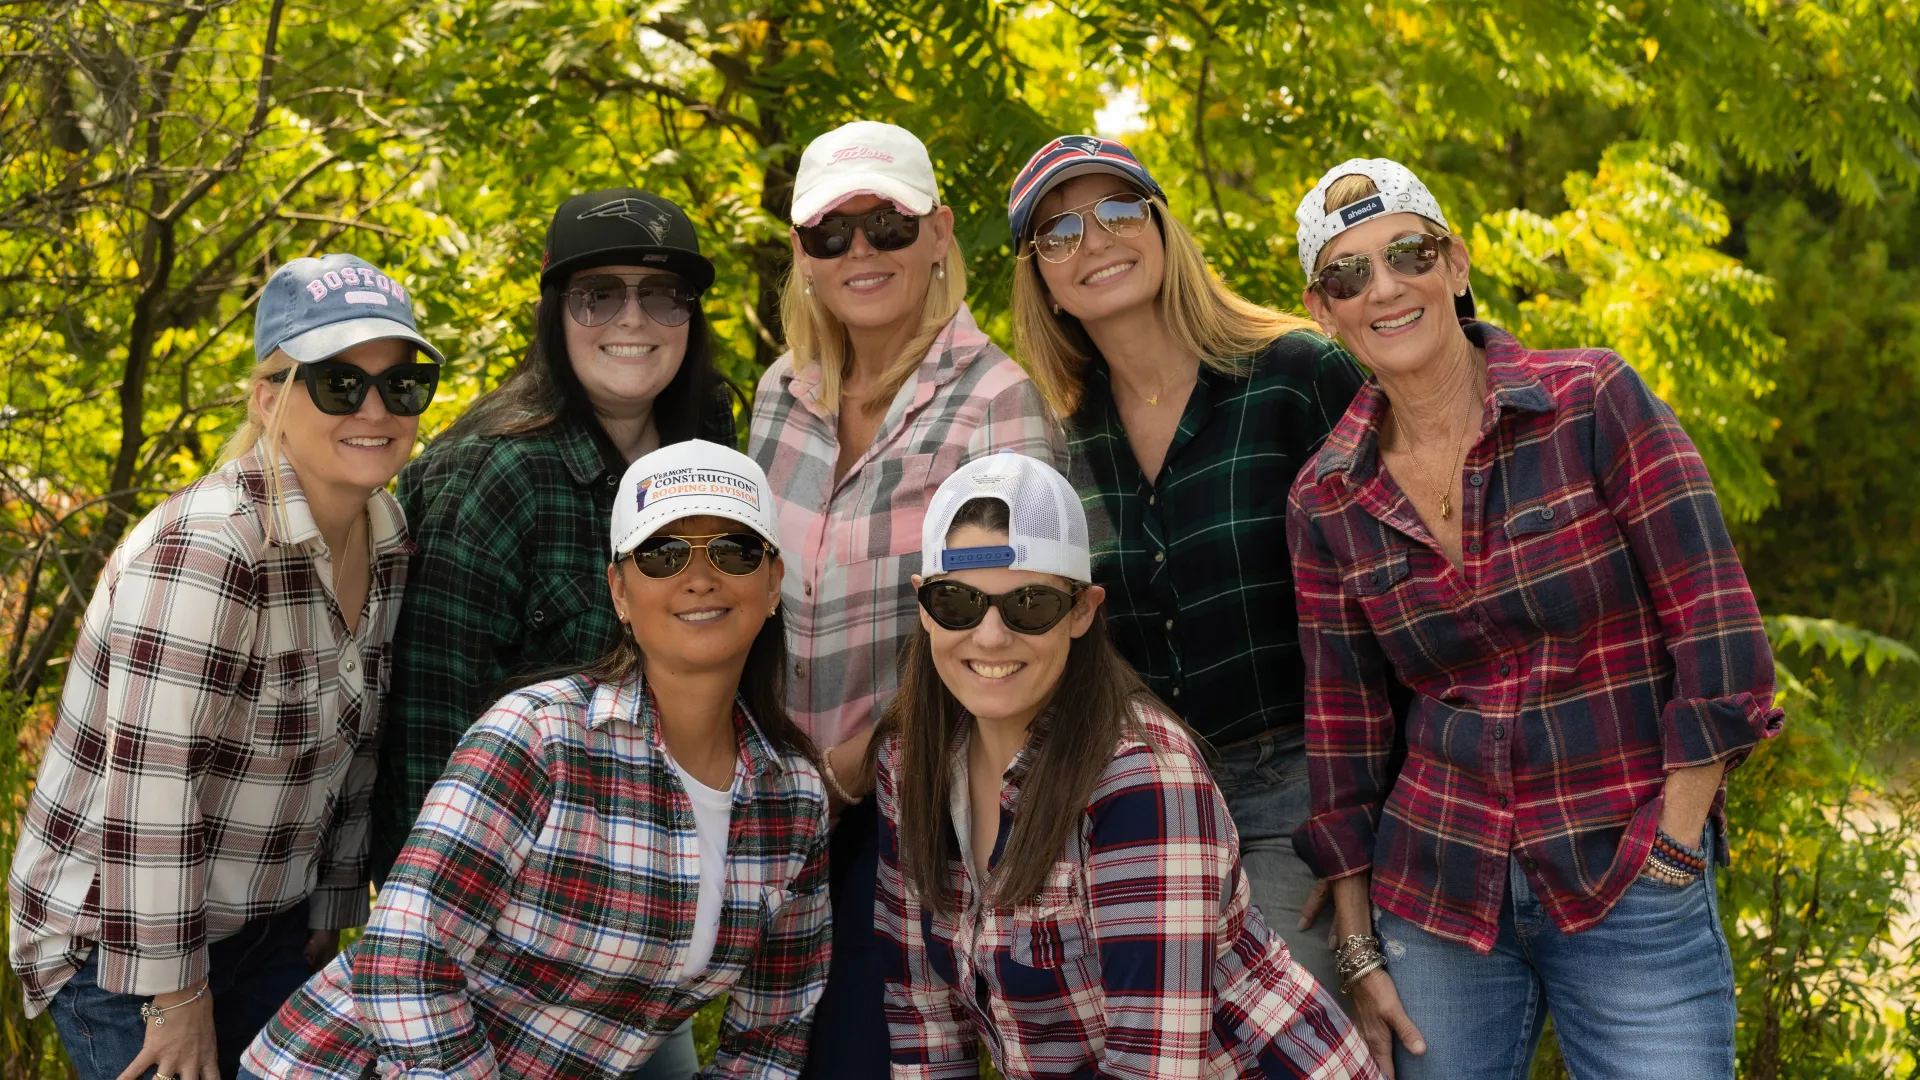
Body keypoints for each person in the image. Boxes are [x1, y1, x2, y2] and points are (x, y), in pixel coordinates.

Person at [1285, 157, 1784, 1079]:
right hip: (1437, 895)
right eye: (1348, 276)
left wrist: (1675, 843)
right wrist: (1357, 949)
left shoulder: (1593, 402)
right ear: (1325, 311)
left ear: (1458, 262)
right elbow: (1344, 737)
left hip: (1627, 867)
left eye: (1408, 253)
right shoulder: (1326, 498)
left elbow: (1718, 636)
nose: (1385, 288)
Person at [242, 440, 831, 1080]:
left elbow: (774, 1030)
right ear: (620, 592)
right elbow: (404, 958)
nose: (699, 576)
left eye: (734, 550)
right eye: (662, 555)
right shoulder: (539, 736)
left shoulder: (792, 797)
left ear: (773, 582)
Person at [8, 254, 444, 1080]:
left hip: (268, 922)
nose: (377, 408)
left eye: (402, 384)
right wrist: (175, 1000)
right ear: (268, 395)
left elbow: (359, 743)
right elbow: (152, 790)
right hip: (122, 947)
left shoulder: (385, 530)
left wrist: (332, 909)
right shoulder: (209, 551)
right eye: (339, 383)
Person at [369, 188, 736, 1073]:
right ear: (554, 312)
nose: (633, 319)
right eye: (597, 294)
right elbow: (428, 744)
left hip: (646, 939)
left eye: (662, 294)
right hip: (509, 962)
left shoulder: (707, 451)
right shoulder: (491, 473)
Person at [1006, 134, 1372, 1004]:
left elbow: (1381, 603)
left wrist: (1357, 822)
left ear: (1163, 228)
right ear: (1039, 277)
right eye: (1059, 233)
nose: (1094, 242)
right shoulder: (1061, 440)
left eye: (1118, 211)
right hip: (1143, 798)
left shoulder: (1295, 375)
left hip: (1299, 789)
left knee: (1286, 1038)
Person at [874, 452, 1380, 1079]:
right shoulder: (908, 762)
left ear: (1083, 610)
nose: (990, 635)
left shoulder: (1143, 778)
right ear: (924, 604)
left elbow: (1153, 1064)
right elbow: (924, 1023)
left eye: (1029, 604)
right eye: (958, 601)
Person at [748, 120, 1062, 1080]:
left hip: (907, 809)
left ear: (939, 233)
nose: (860, 252)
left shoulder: (997, 403)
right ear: (801, 253)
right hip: (779, 809)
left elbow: (1007, 631)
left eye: (887, 224)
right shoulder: (778, 394)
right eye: (830, 234)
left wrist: (854, 765)